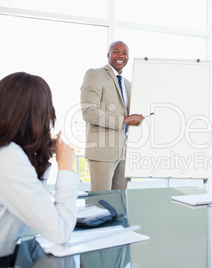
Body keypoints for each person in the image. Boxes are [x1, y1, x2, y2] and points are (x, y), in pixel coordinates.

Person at [0, 72, 79, 260]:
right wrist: (66, 167)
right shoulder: (8, 157)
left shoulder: (7, 152)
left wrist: (42, 156)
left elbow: (35, 207)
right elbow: (60, 232)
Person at [80, 41, 143, 191]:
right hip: (102, 152)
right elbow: (88, 112)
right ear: (108, 55)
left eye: (125, 53)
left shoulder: (128, 84)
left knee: (120, 202)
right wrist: (123, 120)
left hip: (124, 152)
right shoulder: (95, 74)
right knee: (101, 202)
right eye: (116, 51)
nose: (120, 55)